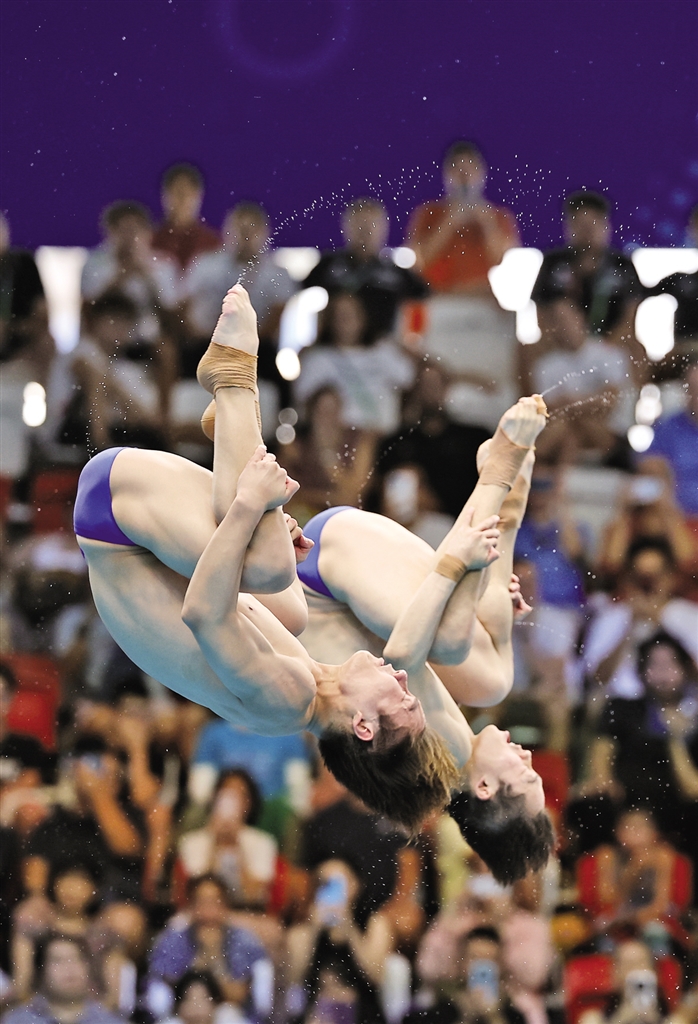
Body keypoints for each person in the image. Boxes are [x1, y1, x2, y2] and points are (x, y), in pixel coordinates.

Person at [74, 284, 489, 833]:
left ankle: (233, 379)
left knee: (268, 565)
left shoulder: (287, 699)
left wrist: (250, 508)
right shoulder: (303, 689)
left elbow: (203, 612)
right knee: (290, 600)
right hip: (137, 529)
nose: (404, 681)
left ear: (364, 726)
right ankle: (229, 435)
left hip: (112, 513)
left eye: (404, 702)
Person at [530, 190, 644, 370]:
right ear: (568, 227)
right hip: (564, 347)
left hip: (610, 345)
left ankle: (627, 389)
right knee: (527, 349)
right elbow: (542, 317)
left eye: (593, 224)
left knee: (638, 349)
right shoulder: (553, 263)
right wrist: (566, 347)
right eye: (580, 225)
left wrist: (602, 349)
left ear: (606, 227)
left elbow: (629, 320)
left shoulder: (622, 265)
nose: (587, 231)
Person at [302, 196, 428, 343]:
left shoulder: (397, 272)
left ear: (383, 228)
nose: (365, 232)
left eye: (371, 225)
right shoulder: (328, 265)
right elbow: (294, 293)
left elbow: (426, 299)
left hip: (381, 347)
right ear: (346, 227)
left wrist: (411, 340)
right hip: (334, 347)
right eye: (359, 225)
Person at [407, 141, 520, 297]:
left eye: (469, 170)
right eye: (458, 170)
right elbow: (421, 259)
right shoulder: (428, 213)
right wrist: (448, 222)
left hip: (480, 297)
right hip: (438, 296)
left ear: (481, 174)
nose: (464, 177)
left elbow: (503, 260)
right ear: (447, 175)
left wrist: (487, 224)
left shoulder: (498, 215)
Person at [81, 200, 180, 342]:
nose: (130, 237)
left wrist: (147, 277)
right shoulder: (94, 264)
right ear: (110, 232)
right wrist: (123, 274)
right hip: (106, 341)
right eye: (123, 230)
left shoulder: (164, 265)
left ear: (148, 233)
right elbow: (90, 309)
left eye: (135, 229)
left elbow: (172, 314)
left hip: (151, 341)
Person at [1, 932, 124, 1024]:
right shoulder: (18, 1020)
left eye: (76, 959)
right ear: (41, 971)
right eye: (58, 960)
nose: (69, 968)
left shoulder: (111, 1021)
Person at [153, 162, 220, 271]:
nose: (182, 199)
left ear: (198, 196)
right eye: (178, 193)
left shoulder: (212, 244)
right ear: (164, 196)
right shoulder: (150, 242)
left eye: (187, 194)